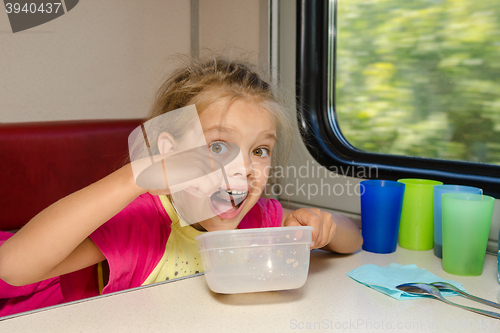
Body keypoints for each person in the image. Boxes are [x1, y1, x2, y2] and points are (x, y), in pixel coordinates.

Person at [0, 56, 363, 317]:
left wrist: (322, 226)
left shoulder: (259, 220)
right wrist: (136, 175)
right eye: (219, 147)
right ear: (168, 155)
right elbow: (14, 267)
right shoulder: (141, 225)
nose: (245, 169)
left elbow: (352, 240)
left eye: (260, 150)